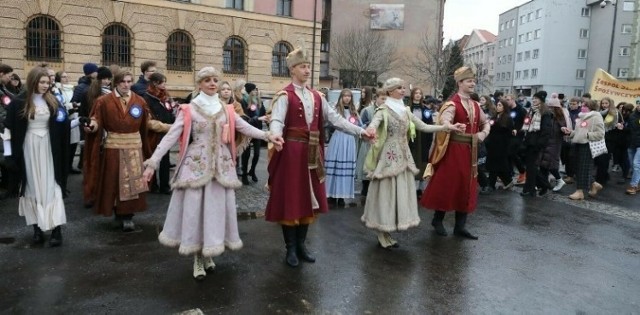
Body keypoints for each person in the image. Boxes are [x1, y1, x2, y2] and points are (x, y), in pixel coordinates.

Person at [142, 66, 283, 280]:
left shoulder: (226, 109)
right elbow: (171, 136)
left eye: (215, 80)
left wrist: (268, 136)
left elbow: (244, 127)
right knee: (196, 212)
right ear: (199, 84)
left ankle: (209, 252)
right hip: (195, 167)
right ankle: (198, 257)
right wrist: (154, 160)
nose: (212, 83)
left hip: (222, 168)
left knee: (215, 212)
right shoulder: (189, 109)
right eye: (207, 80)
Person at [265, 45, 373, 267]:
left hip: (313, 153)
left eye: (308, 67)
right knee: (292, 197)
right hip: (292, 153)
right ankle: (291, 248)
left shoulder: (317, 96)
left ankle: (302, 245)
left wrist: (361, 131)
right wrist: (275, 135)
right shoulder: (284, 95)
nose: (307, 70)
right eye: (302, 67)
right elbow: (277, 120)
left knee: (309, 197)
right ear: (292, 70)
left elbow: (336, 119)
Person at [361, 78, 464, 248]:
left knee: (399, 193)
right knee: (386, 193)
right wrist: (370, 131)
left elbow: (423, 126)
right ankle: (382, 231)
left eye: (403, 88)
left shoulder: (405, 110)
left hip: (404, 156)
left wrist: (448, 127)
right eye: (399, 88)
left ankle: (388, 229)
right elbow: (373, 125)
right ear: (390, 91)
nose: (403, 90)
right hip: (389, 156)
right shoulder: (384, 110)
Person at [419, 66, 490, 240]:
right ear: (460, 83)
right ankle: (437, 220)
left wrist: (483, 133)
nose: (472, 83)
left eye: (473, 80)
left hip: (470, 151)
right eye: (469, 81)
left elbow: (486, 122)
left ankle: (460, 226)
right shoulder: (451, 104)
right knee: (448, 184)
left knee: (466, 186)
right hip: (453, 151)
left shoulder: (475, 105)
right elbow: (444, 121)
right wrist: (450, 125)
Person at [3, 66, 70, 246]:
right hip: (28, 148)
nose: (45, 85)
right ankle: (37, 229)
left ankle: (56, 229)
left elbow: (63, 125)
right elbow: (8, 130)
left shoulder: (54, 101)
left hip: (49, 148)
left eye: (47, 82)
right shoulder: (19, 102)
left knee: (51, 186)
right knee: (32, 187)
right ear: (33, 81)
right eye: (42, 82)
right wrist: (8, 156)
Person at [83, 70, 157, 232]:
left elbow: (149, 123)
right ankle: (118, 214)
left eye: (129, 81)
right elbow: (95, 120)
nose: (126, 85)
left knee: (132, 184)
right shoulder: (103, 101)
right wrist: (90, 126)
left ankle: (128, 216)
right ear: (115, 83)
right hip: (113, 148)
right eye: (123, 81)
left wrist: (173, 128)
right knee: (114, 182)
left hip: (134, 149)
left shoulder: (140, 101)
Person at [325, 89, 361, 206]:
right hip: (338, 138)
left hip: (349, 139)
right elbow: (329, 123)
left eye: (349, 96)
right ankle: (330, 194)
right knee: (334, 167)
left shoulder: (354, 111)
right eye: (345, 96)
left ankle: (341, 195)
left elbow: (359, 125)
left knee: (346, 167)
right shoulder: (335, 109)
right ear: (341, 97)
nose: (347, 98)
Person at [567, 100, 605, 200]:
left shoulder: (596, 116)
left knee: (583, 168)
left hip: (587, 145)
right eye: (582, 105)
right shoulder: (581, 116)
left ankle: (580, 192)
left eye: (585, 105)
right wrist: (570, 133)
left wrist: (587, 135)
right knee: (575, 166)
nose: (582, 107)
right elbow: (578, 131)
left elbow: (600, 133)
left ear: (591, 107)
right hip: (577, 144)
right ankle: (594, 183)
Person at [143, 72, 174, 194]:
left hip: (166, 132)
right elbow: (148, 120)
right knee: (153, 158)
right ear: (155, 83)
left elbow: (169, 110)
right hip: (154, 133)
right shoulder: (147, 98)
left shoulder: (165, 96)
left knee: (165, 161)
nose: (165, 85)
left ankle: (165, 186)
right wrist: (166, 126)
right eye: (163, 82)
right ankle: (152, 185)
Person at [519, 91, 553, 197]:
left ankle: (530, 189)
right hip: (528, 141)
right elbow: (527, 126)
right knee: (530, 166)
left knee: (531, 167)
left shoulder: (545, 113)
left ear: (541, 100)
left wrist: (539, 144)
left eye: (536, 99)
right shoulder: (532, 111)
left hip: (536, 143)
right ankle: (543, 184)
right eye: (533, 98)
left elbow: (546, 131)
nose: (534, 100)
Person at [407, 87, 435, 198]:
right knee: (411, 160)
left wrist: (428, 141)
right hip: (411, 139)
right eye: (416, 93)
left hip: (422, 139)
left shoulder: (426, 111)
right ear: (412, 95)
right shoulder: (407, 109)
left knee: (422, 161)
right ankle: (410, 186)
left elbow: (429, 126)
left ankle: (420, 187)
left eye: (420, 93)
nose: (418, 95)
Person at [540, 98, 572, 193]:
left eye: (552, 107)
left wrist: (563, 129)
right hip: (547, 141)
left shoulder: (560, 116)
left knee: (551, 164)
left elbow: (563, 127)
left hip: (554, 143)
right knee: (544, 164)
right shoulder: (548, 115)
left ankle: (559, 180)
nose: (550, 109)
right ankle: (544, 184)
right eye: (549, 107)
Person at [355, 88, 380, 205]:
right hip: (368, 143)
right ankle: (365, 193)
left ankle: (377, 196)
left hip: (381, 144)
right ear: (376, 98)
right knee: (367, 168)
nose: (384, 101)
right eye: (382, 98)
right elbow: (361, 125)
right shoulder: (367, 110)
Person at [486, 99, 516, 190]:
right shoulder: (495, 116)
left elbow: (509, 132)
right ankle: (508, 181)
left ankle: (491, 184)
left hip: (501, 145)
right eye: (497, 105)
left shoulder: (507, 118)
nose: (498, 107)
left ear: (504, 107)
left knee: (496, 165)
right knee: (496, 165)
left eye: (500, 105)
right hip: (493, 144)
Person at [240, 83, 266, 185]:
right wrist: (256, 119)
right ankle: (245, 174)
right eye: (254, 90)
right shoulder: (244, 102)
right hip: (248, 131)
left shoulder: (260, 102)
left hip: (258, 131)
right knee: (246, 155)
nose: (256, 91)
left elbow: (264, 115)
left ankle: (252, 171)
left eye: (257, 89)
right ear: (250, 91)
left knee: (257, 154)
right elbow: (245, 118)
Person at [55, 71, 80, 174]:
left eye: (67, 76)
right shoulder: (58, 90)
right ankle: (64, 167)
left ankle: (70, 165)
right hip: (65, 116)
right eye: (63, 77)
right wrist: (70, 107)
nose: (66, 79)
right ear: (58, 79)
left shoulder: (72, 88)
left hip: (75, 116)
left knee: (74, 143)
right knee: (66, 144)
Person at [507, 93, 528, 185]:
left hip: (518, 135)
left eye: (508, 99)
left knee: (512, 153)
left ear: (513, 99)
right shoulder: (507, 110)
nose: (507, 101)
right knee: (508, 154)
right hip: (508, 134)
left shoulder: (521, 110)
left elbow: (525, 122)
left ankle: (522, 171)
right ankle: (509, 174)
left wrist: (517, 130)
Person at [625, 101, 640, 194]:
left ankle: (633, 185)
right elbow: (628, 129)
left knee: (636, 164)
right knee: (632, 165)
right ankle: (637, 183)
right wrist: (622, 127)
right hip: (631, 143)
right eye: (639, 104)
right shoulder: (632, 116)